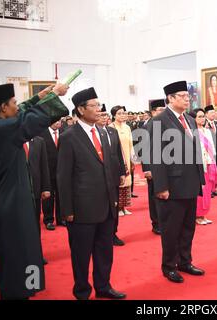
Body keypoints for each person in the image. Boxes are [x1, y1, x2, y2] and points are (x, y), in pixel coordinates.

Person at [0, 82, 69, 300]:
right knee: (16, 255)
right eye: (13, 103)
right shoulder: (2, 129)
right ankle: (18, 292)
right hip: (8, 204)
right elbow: (30, 120)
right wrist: (55, 95)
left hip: (11, 199)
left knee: (26, 251)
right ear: (3, 107)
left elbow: (21, 113)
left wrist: (39, 97)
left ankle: (27, 289)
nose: (16, 106)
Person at [57, 87, 126, 300]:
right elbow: (63, 176)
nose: (99, 109)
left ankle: (103, 286)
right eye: (94, 106)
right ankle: (82, 291)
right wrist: (66, 210)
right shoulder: (69, 137)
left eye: (99, 104)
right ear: (80, 109)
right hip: (82, 210)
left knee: (105, 252)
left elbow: (108, 167)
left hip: (106, 206)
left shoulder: (104, 133)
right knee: (81, 255)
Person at [149, 81, 205, 283]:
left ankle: (185, 261)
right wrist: (161, 186)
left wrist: (201, 177)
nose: (187, 98)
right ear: (170, 98)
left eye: (187, 96)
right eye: (182, 95)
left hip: (190, 183)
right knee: (171, 229)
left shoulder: (189, 120)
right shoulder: (159, 121)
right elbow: (156, 156)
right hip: (172, 186)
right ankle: (169, 265)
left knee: (188, 227)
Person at [97, 106, 126, 246]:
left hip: (114, 173)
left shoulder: (112, 131)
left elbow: (119, 153)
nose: (104, 117)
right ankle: (101, 235)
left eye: (105, 115)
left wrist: (122, 172)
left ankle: (113, 233)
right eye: (101, 115)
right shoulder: (93, 133)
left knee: (114, 205)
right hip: (99, 176)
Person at [24, 136, 51, 265]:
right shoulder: (11, 138)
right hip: (16, 191)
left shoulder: (39, 141)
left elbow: (44, 165)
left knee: (35, 224)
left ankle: (36, 254)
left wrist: (45, 188)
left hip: (35, 189)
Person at [141, 99, 166, 235]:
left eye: (164, 109)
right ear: (153, 112)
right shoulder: (147, 126)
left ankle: (164, 221)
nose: (163, 112)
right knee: (154, 196)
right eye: (160, 110)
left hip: (165, 166)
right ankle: (156, 223)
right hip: (152, 167)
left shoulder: (165, 124)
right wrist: (147, 168)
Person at [189, 108, 217, 225]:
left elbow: (212, 148)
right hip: (199, 166)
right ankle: (197, 215)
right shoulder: (191, 132)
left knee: (208, 191)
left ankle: (204, 214)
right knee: (201, 191)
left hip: (210, 163)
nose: (202, 119)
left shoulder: (207, 131)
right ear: (193, 119)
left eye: (203, 116)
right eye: (199, 116)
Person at [109, 106, 134, 217]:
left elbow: (131, 144)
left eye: (124, 113)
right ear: (114, 115)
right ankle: (118, 207)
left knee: (127, 183)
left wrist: (132, 159)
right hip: (117, 159)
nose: (122, 115)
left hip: (127, 158)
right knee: (119, 182)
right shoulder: (111, 127)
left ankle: (124, 207)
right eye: (119, 113)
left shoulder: (127, 127)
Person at [40, 120, 64, 230]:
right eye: (55, 120)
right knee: (48, 197)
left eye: (60, 120)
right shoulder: (41, 133)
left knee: (62, 195)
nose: (58, 123)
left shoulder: (65, 132)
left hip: (62, 170)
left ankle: (61, 218)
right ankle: (48, 220)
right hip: (47, 170)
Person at [204, 105, 217, 197]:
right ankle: (209, 190)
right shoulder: (204, 124)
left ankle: (214, 188)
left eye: (214, 112)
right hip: (208, 152)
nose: (213, 114)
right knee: (209, 171)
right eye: (211, 113)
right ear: (206, 114)